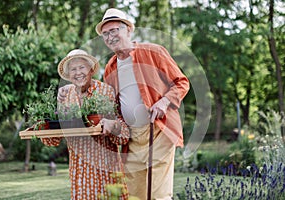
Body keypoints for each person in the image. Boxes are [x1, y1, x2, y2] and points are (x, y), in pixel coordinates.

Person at [95, 8, 190, 200]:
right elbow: (112, 104)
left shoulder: (153, 52)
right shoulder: (110, 67)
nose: (110, 36)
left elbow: (182, 82)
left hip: (159, 130)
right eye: (106, 33)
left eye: (114, 30)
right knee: (135, 192)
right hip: (132, 136)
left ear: (128, 30)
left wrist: (164, 102)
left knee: (158, 193)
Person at [42, 49, 130, 200]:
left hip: (106, 168)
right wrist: (44, 127)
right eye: (73, 69)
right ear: (69, 75)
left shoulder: (105, 91)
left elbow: (123, 135)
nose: (78, 73)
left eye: (82, 67)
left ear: (90, 69)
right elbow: (54, 139)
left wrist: (113, 125)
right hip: (80, 173)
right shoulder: (64, 95)